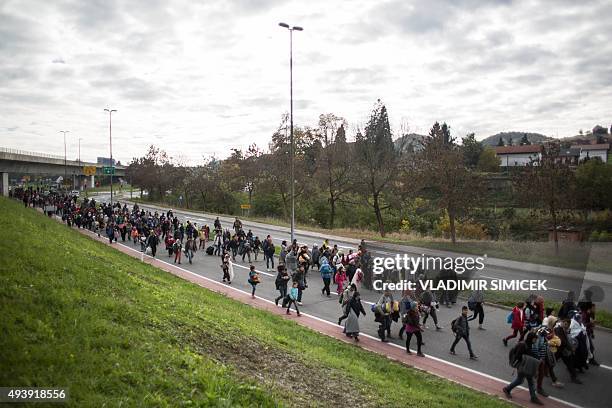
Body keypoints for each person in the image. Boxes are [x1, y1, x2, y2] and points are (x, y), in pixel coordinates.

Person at [503, 332, 544, 405]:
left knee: (527, 381)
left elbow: (529, 353)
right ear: (531, 338)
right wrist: (527, 360)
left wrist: (538, 358)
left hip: (524, 365)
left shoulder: (528, 344)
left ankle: (533, 397)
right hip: (522, 365)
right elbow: (518, 356)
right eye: (535, 339)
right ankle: (507, 389)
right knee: (522, 380)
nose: (535, 341)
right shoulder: (522, 345)